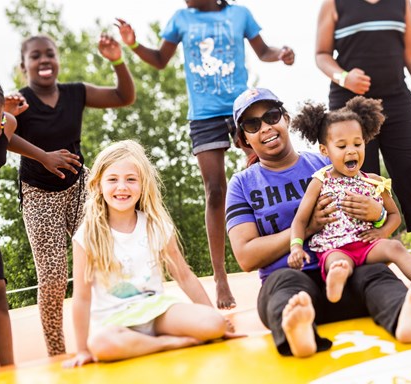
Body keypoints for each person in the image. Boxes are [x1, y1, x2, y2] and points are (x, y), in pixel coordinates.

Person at [226, 87, 411, 358]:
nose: (265, 127)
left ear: (285, 118)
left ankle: (405, 317)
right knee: (285, 288)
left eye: (271, 116)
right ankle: (299, 333)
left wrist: (376, 214)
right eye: (252, 124)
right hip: (291, 281)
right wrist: (308, 228)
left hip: (346, 278)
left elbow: (374, 225)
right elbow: (246, 257)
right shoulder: (241, 184)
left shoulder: (328, 159)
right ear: (243, 138)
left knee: (376, 275)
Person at [116, 0, 295, 311]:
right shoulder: (181, 18)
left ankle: (281, 251)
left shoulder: (239, 14)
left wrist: (281, 53)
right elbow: (160, 59)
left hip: (242, 109)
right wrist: (133, 44)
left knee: (263, 173)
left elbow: (263, 51)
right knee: (215, 190)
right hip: (204, 115)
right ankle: (220, 275)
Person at [11, 33, 135, 357]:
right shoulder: (20, 102)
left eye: (49, 54)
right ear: (24, 66)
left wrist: (117, 60)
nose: (44, 61)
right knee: (53, 279)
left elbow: (124, 96)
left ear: (58, 59)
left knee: (105, 259)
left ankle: (118, 331)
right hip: (39, 194)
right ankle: (57, 352)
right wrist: (44, 156)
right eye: (35, 56)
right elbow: (2, 134)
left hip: (80, 188)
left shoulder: (75, 93)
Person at [64, 140, 227, 368]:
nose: (122, 187)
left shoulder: (155, 225)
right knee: (101, 344)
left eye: (131, 179)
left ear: (143, 185)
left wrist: (216, 318)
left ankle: (151, 340)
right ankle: (167, 344)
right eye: (112, 179)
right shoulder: (87, 235)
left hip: (157, 311)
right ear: (98, 185)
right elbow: (81, 297)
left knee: (213, 324)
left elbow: (184, 276)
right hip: (116, 322)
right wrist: (82, 349)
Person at [289, 96, 411, 305]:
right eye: (342, 146)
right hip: (335, 248)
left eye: (357, 143)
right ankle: (336, 282)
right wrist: (296, 247)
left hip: (367, 245)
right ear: (325, 150)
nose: (352, 150)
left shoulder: (373, 181)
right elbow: (300, 220)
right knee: (338, 264)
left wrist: (382, 232)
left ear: (365, 142)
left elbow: (394, 215)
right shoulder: (320, 181)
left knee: (396, 248)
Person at [315, 0, 411, 235]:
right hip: (349, 105)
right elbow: (321, 54)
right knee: (359, 175)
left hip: (396, 99)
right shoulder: (334, 3)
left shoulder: (402, 3)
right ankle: (367, 249)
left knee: (410, 169)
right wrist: (343, 77)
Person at [0, 77, 81, 368]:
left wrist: (43, 157)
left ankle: (7, 369)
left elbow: (7, 134)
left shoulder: (6, 124)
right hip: (34, 195)